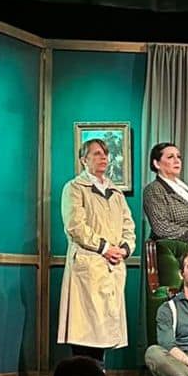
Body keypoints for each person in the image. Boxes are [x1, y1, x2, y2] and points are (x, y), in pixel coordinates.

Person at [58, 137, 137, 361]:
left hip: (112, 267)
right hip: (88, 264)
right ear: (84, 159)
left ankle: (98, 370)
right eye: (96, 154)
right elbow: (75, 226)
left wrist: (124, 249)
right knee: (84, 328)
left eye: (105, 154)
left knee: (104, 329)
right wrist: (104, 248)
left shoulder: (115, 192)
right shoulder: (75, 188)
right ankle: (84, 372)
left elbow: (128, 225)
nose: (103, 158)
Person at [142, 141, 188, 242]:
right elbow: (161, 226)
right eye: (170, 157)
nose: (177, 161)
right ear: (157, 163)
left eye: (178, 157)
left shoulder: (183, 188)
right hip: (175, 244)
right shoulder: (153, 189)